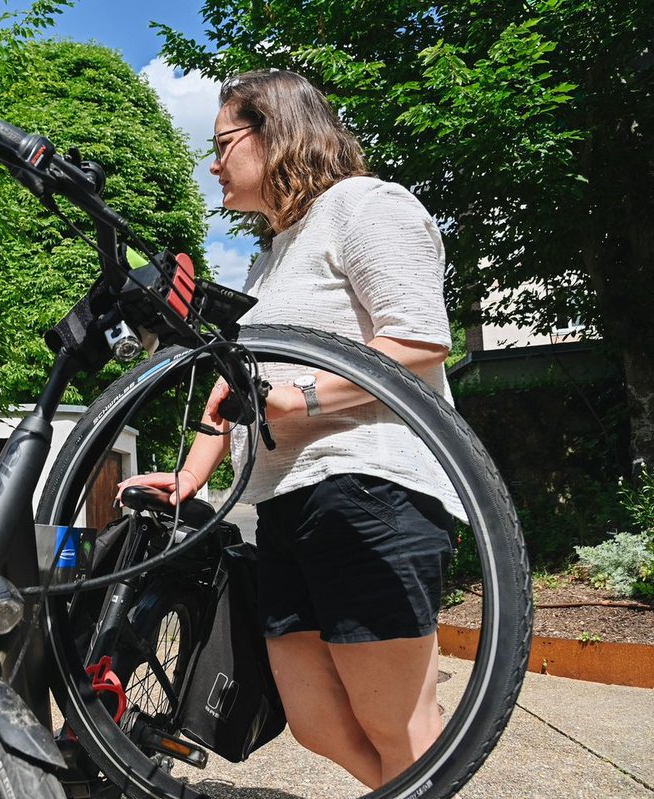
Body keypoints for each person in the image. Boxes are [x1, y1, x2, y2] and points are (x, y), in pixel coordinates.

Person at [118, 70, 460, 789]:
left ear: (274, 132)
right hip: (287, 504)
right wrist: (191, 475)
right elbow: (235, 391)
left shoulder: (367, 206)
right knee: (316, 720)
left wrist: (299, 398)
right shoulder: (274, 256)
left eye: (222, 144)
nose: (211, 164)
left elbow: (421, 340)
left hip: (371, 485)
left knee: (400, 725)